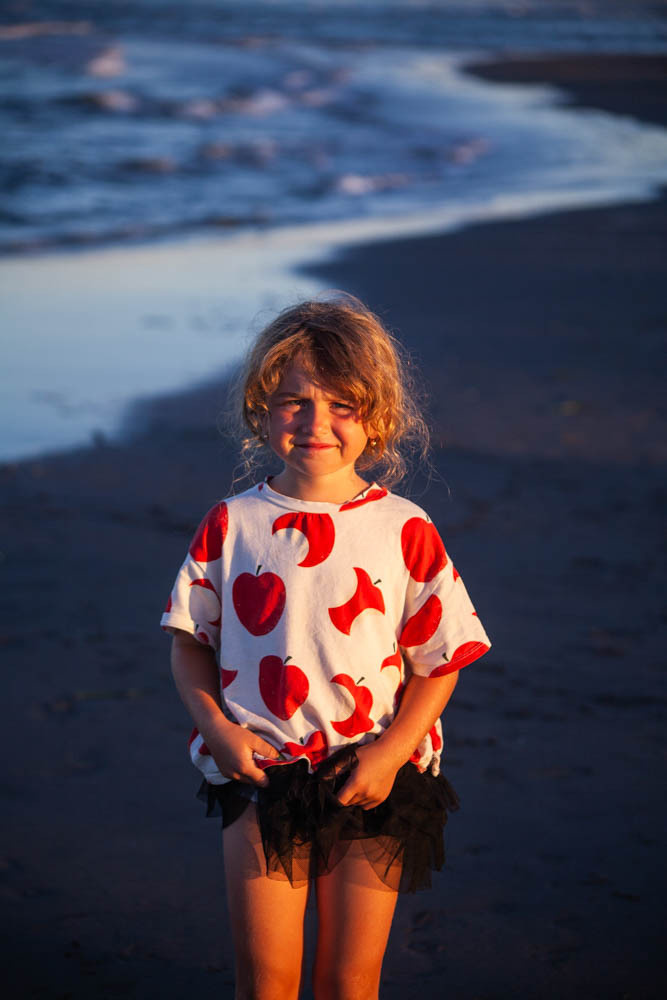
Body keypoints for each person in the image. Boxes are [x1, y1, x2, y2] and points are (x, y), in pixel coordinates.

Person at [162, 294, 491, 1000]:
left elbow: (441, 658)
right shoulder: (232, 524)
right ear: (259, 408)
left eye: (343, 404)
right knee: (267, 982)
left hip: (374, 775)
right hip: (259, 776)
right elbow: (189, 642)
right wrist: (217, 729)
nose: (317, 423)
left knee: (350, 980)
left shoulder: (405, 528)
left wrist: (393, 749)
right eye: (293, 402)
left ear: (377, 418)